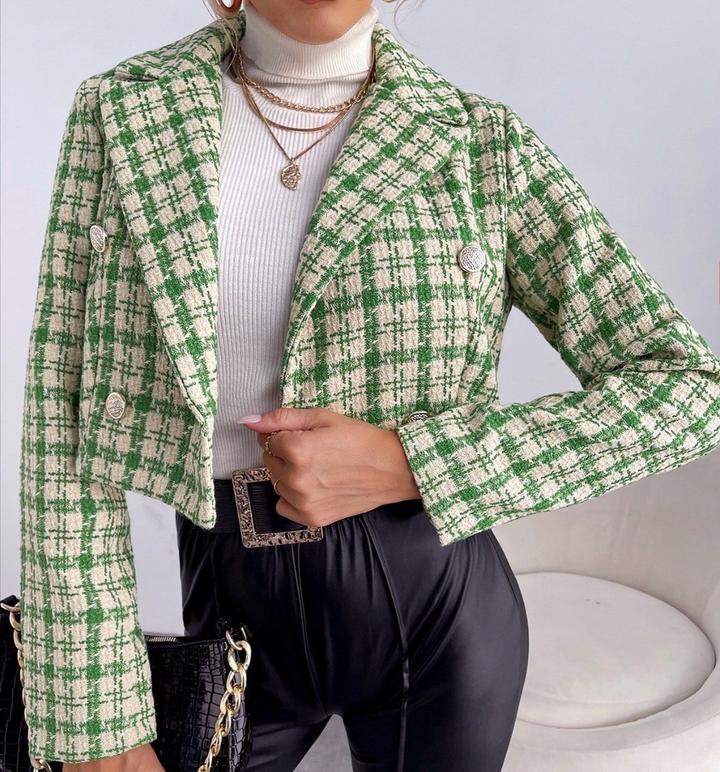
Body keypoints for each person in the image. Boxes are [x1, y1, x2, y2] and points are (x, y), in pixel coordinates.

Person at [17, 1, 720, 770]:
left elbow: (690, 388)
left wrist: (417, 459)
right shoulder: (123, 114)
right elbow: (60, 418)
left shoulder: (483, 145)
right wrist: (98, 722)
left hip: (440, 617)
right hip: (226, 616)